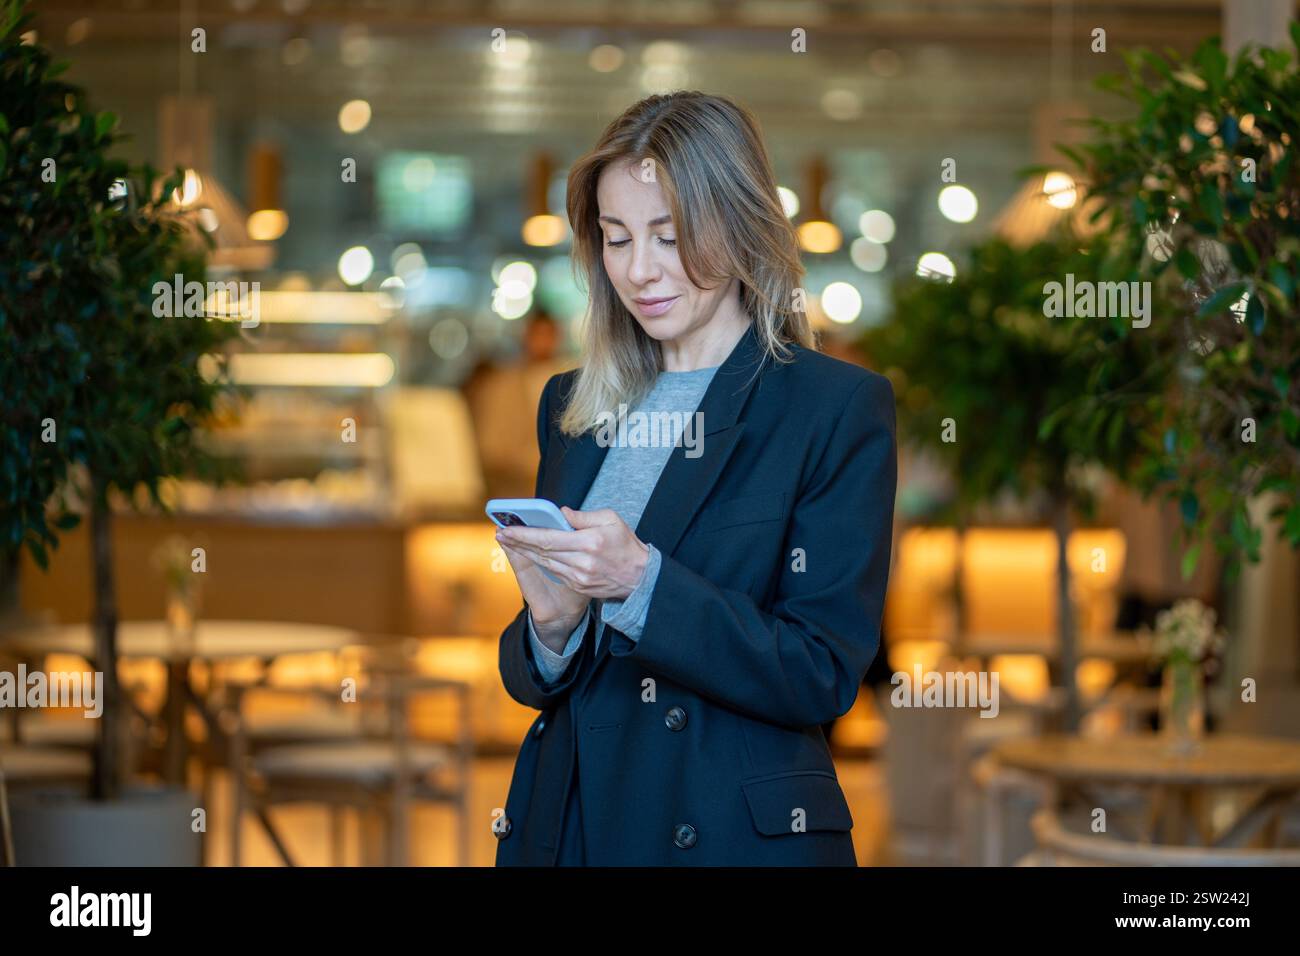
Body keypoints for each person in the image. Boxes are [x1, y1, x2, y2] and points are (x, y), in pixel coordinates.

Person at [492, 91, 897, 866]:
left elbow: (821, 672)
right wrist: (550, 630)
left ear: (740, 223)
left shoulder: (831, 406)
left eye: (669, 237)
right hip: (573, 824)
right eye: (616, 240)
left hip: (723, 833)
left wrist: (641, 582)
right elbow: (541, 681)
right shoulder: (572, 407)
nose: (638, 271)